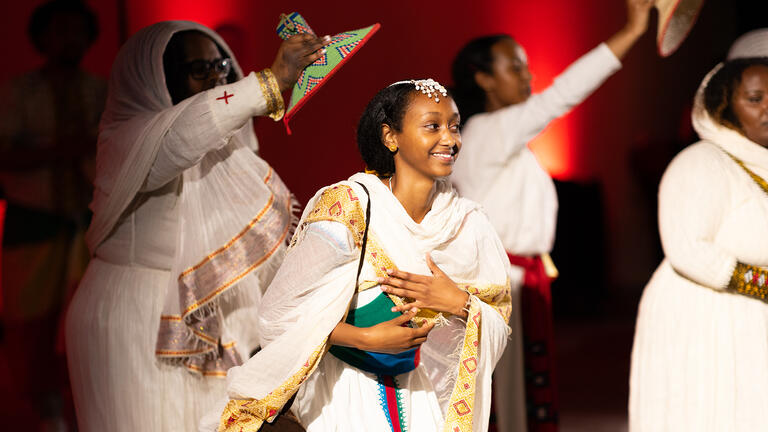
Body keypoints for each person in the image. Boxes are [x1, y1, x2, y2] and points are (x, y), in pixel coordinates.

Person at [200, 79, 512, 432]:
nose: (450, 139)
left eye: (454, 126)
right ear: (390, 136)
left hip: (419, 392)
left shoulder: (467, 220)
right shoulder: (347, 206)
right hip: (344, 391)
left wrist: (459, 303)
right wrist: (362, 338)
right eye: (432, 126)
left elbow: (497, 311)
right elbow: (279, 315)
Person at [64, 20, 331, 431]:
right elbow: (182, 135)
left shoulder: (230, 152)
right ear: (158, 81)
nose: (217, 77)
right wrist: (272, 80)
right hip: (139, 321)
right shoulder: (127, 138)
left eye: (222, 65)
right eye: (198, 69)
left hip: (221, 319)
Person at [449, 1, 653, 430]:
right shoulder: (489, 130)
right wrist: (632, 32)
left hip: (517, 279)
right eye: (514, 67)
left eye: (525, 67)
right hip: (503, 282)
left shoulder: (497, 135)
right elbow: (562, 95)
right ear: (483, 78)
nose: (528, 76)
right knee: (507, 397)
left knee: (516, 391)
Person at [629, 31, 768, 432]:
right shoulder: (701, 161)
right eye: (754, 99)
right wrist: (761, 283)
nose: (766, 110)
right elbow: (688, 249)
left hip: (749, 317)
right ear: (726, 103)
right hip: (705, 318)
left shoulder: (759, 163)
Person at [0, 0, 105, 429]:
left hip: (87, 224)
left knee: (89, 326)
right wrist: (64, 149)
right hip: (34, 224)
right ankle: (48, 416)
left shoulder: (101, 90)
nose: (69, 40)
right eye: (60, 31)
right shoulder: (17, 93)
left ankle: (86, 410)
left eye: (77, 31)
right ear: (42, 38)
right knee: (32, 328)